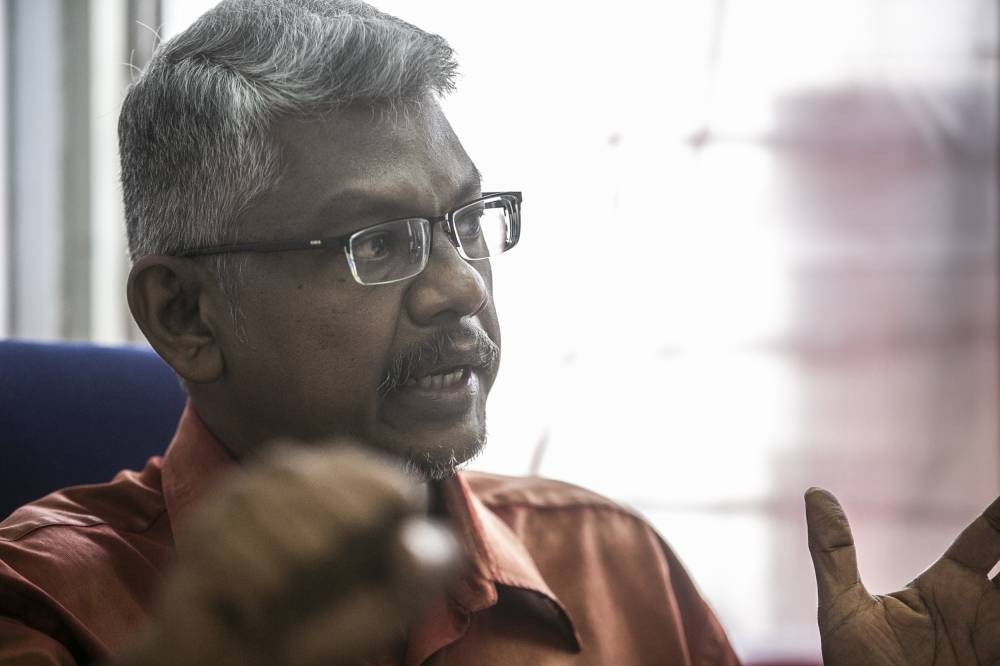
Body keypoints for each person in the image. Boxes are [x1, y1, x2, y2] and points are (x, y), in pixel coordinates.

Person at [1, 1, 998, 664]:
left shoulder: (612, 564)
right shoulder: (41, 603)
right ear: (185, 313)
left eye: (467, 221)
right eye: (376, 241)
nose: (457, 287)